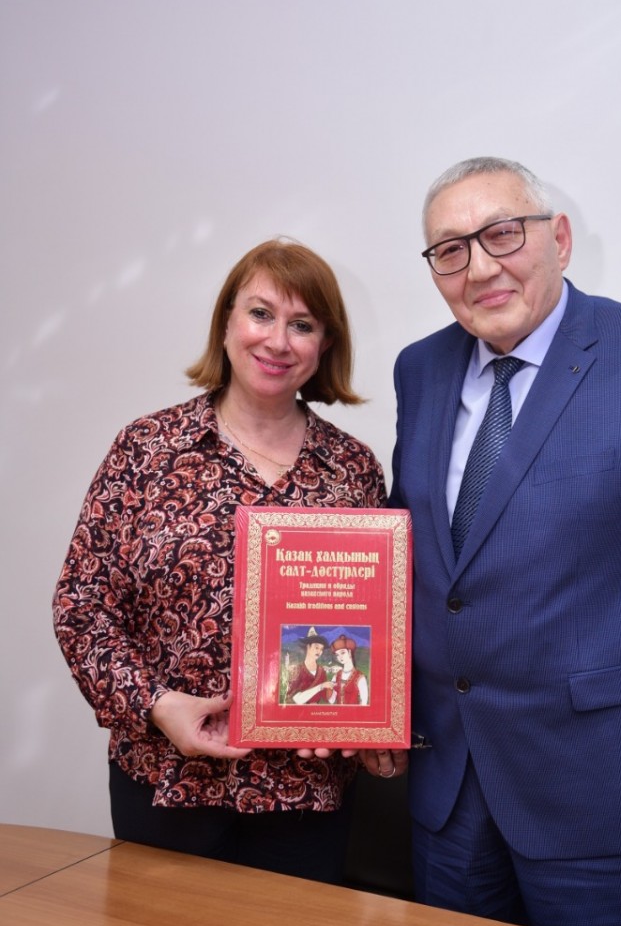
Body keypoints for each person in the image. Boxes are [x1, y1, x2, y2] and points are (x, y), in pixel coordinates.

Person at [367, 156, 621, 926]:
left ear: (560, 240)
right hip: (448, 797)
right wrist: (372, 704)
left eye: (501, 234)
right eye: (450, 250)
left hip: (606, 809)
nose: (480, 268)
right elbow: (424, 570)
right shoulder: (421, 370)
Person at [53, 238, 386, 884]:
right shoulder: (147, 449)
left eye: (302, 324)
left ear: (324, 344)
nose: (278, 341)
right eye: (261, 313)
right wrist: (153, 703)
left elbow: (375, 621)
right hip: (166, 778)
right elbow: (81, 607)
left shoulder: (351, 469)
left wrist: (357, 714)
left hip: (306, 790)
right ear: (227, 322)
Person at [286, 627, 334, 705]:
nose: (319, 651)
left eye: (321, 649)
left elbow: (325, 697)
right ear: (308, 646)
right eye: (316, 647)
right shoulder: (297, 670)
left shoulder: (321, 671)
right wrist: (321, 686)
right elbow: (294, 698)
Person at [329, 635, 369, 705]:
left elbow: (364, 703)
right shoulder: (336, 676)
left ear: (350, 652)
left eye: (342, 653)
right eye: (337, 655)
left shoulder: (360, 677)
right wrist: (329, 688)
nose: (340, 657)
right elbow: (331, 701)